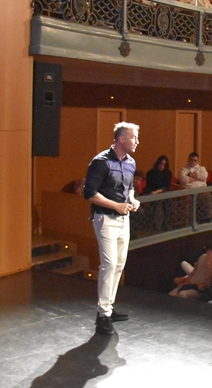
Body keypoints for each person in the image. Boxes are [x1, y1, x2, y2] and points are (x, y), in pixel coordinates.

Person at [83, 122, 141, 335]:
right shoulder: (101, 162)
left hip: (123, 219)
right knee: (108, 264)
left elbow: (130, 188)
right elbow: (89, 193)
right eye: (134, 137)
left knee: (119, 265)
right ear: (122, 139)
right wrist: (115, 205)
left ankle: (108, 307)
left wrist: (133, 200)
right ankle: (103, 315)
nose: (137, 141)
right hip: (105, 218)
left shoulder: (131, 163)